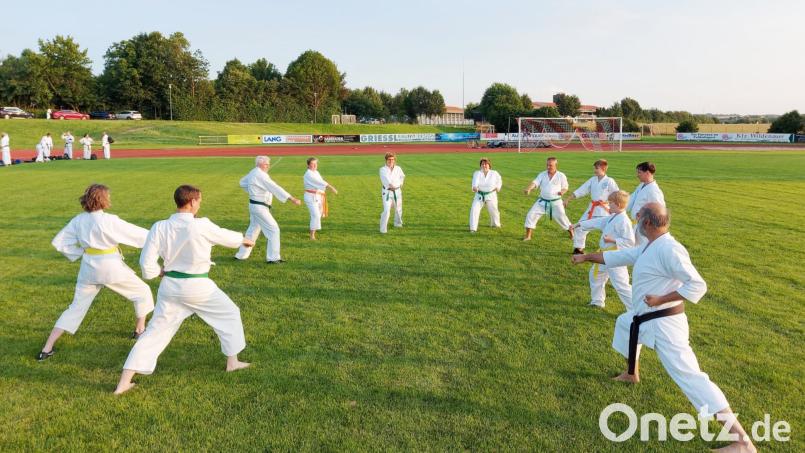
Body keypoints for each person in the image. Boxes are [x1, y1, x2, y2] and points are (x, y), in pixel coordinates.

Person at [572, 203, 755, 453]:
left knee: (691, 377)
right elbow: (620, 256)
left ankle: (742, 442)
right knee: (625, 323)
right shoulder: (651, 245)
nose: (635, 222)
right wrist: (585, 257)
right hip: (646, 316)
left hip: (664, 323)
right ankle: (631, 372)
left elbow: (698, 285)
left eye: (639, 218)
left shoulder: (670, 249)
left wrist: (660, 299)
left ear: (647, 223)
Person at [114, 185, 254, 394]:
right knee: (230, 313)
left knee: (154, 332)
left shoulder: (160, 226)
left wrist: (158, 273)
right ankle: (232, 362)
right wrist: (244, 240)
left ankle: (124, 383)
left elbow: (146, 262)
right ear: (190, 202)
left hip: (170, 287)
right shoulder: (201, 225)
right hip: (198, 287)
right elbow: (227, 237)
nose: (200, 204)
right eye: (199, 201)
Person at [37, 184, 155, 361]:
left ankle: (46, 348)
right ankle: (139, 330)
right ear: (103, 200)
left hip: (88, 268)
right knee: (143, 292)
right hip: (110, 267)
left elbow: (59, 242)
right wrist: (159, 236)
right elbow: (139, 235)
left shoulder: (78, 220)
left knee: (75, 307)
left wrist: (80, 253)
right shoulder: (109, 220)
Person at [571, 190, 634, 309]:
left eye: (610, 203)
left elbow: (630, 242)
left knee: (621, 285)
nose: (608, 205)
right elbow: (598, 221)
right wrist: (579, 224)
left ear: (618, 205)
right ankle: (597, 302)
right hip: (604, 255)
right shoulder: (613, 216)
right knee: (596, 275)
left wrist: (613, 240)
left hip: (616, 256)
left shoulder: (624, 221)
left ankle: (636, 310)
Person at [235, 156, 301, 263]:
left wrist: (254, 190)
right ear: (259, 164)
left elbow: (242, 182)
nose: (268, 166)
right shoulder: (260, 174)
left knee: (253, 230)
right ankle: (273, 258)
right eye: (266, 164)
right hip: (259, 207)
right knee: (273, 229)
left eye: (268, 164)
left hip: (255, 206)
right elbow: (274, 187)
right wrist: (291, 198)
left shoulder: (254, 172)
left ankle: (241, 255)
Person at [564, 159, 619, 254]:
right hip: (592, 209)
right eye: (594, 168)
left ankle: (613, 250)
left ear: (603, 168)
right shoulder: (593, 180)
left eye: (596, 168)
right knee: (579, 226)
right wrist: (568, 198)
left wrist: (616, 208)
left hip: (605, 210)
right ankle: (578, 249)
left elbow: (617, 194)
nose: (594, 170)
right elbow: (582, 190)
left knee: (610, 230)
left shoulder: (609, 181)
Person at [523, 157, 573, 241]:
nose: (548, 167)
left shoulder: (561, 175)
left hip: (556, 202)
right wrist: (529, 188)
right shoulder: (542, 174)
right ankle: (528, 236)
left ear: (556, 165)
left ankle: (572, 234)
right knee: (530, 215)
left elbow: (565, 187)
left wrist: (562, 192)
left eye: (551, 165)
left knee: (562, 218)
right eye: (547, 165)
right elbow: (535, 183)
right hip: (542, 202)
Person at [626, 161, 665, 244]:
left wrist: (649, 222)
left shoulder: (654, 191)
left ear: (647, 173)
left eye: (639, 172)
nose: (637, 175)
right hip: (636, 224)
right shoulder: (641, 186)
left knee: (643, 249)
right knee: (634, 250)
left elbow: (659, 211)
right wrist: (620, 206)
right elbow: (630, 199)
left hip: (645, 227)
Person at [303, 157, 338, 240]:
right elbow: (320, 182)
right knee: (316, 215)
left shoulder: (316, 172)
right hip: (310, 197)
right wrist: (331, 187)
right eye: (312, 164)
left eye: (316, 163)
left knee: (317, 214)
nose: (315, 165)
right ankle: (312, 235)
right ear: (308, 165)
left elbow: (321, 181)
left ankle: (313, 228)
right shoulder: (309, 174)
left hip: (318, 196)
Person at [469, 157, 502, 232]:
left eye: (486, 164)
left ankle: (495, 224)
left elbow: (499, 180)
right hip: (479, 195)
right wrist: (474, 187)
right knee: (474, 210)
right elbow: (475, 182)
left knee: (494, 210)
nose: (484, 165)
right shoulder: (477, 173)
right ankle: (473, 228)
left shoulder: (494, 173)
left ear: (489, 165)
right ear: (480, 165)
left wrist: (498, 187)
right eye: (482, 164)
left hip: (491, 195)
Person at [379, 152, 405, 233]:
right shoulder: (382, 169)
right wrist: (390, 185)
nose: (391, 161)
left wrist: (400, 184)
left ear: (395, 160)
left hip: (397, 192)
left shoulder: (398, 168)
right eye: (389, 160)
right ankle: (383, 229)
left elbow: (402, 176)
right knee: (387, 210)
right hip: (387, 192)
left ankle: (398, 223)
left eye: (392, 159)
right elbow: (385, 179)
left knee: (398, 209)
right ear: (386, 160)